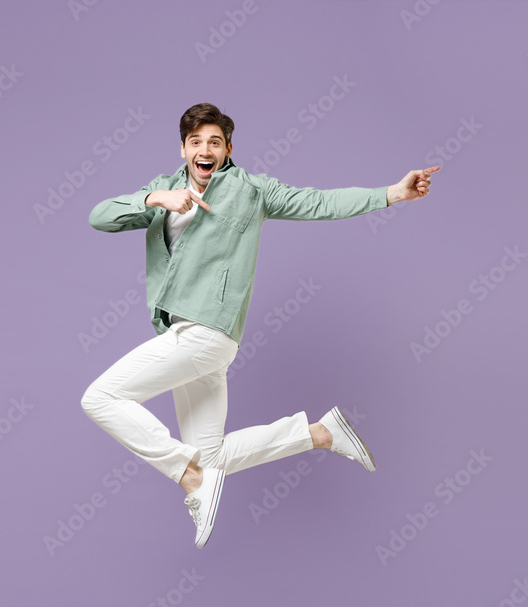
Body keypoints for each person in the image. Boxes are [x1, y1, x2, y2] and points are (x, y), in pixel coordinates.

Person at [81, 102, 438, 548]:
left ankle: (188, 476)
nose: (205, 149)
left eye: (215, 141)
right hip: (187, 337)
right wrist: (156, 199)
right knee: (213, 454)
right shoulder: (164, 190)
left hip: (206, 331)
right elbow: (100, 217)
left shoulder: (251, 190)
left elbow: (320, 202)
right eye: (196, 142)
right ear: (183, 149)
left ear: (228, 148)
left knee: (101, 397)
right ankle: (320, 433)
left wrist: (392, 193)